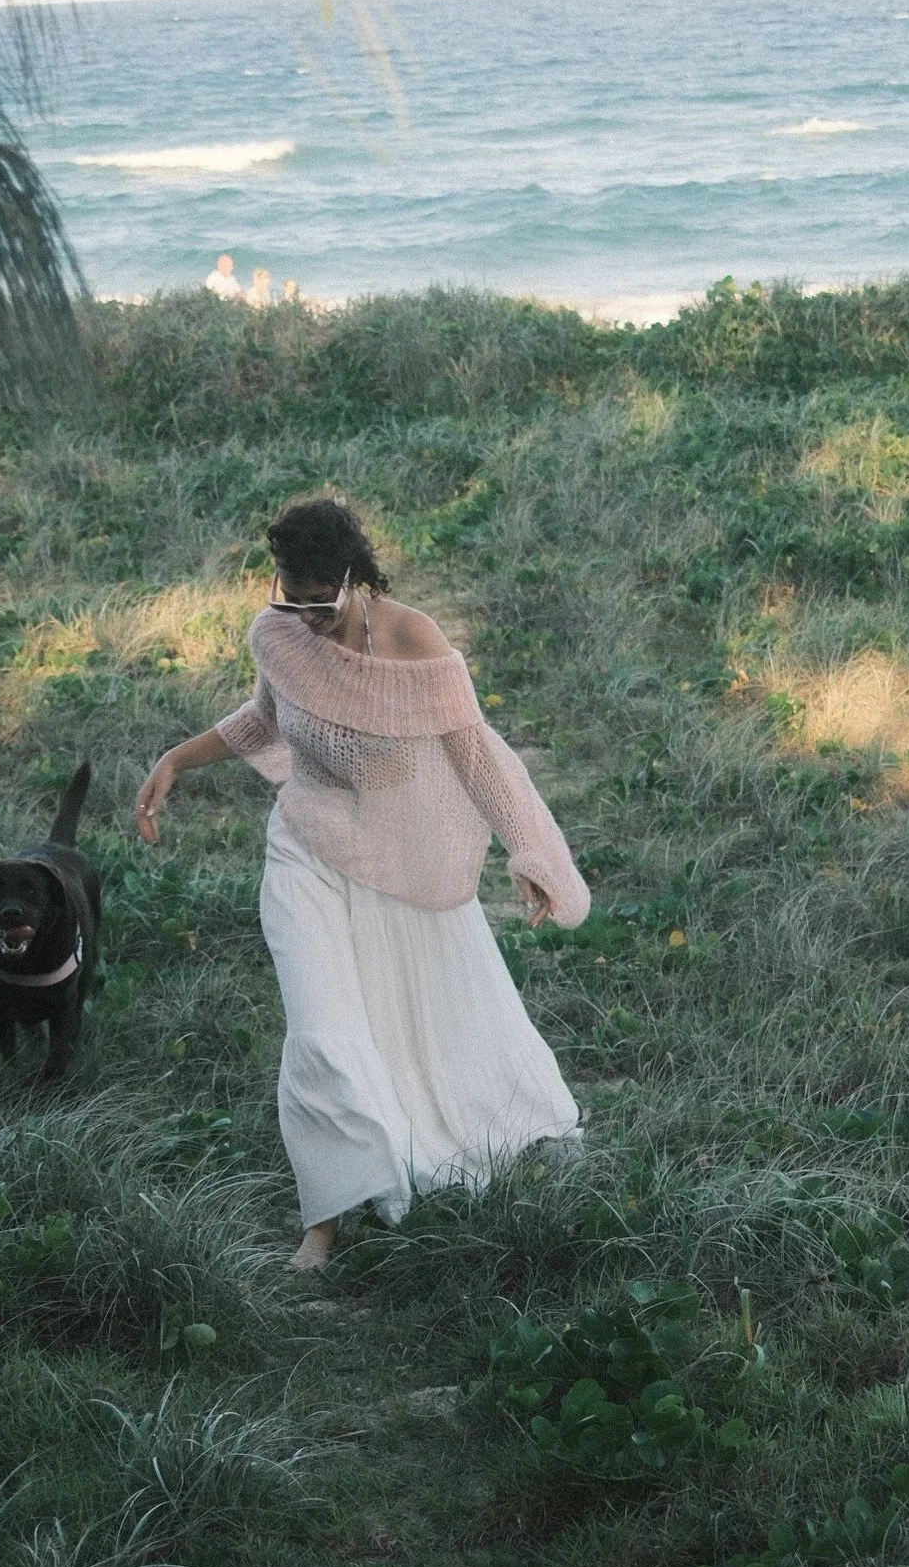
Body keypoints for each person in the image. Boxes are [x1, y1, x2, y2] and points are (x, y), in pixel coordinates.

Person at [136, 496, 587, 1269]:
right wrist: (176, 757)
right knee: (321, 1028)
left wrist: (532, 852)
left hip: (396, 857)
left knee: (440, 1017)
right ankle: (329, 1214)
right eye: (292, 595)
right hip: (306, 849)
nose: (305, 614)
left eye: (321, 598)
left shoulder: (412, 637)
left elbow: (477, 754)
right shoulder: (279, 634)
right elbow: (264, 718)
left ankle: (478, 1131)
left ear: (355, 578)